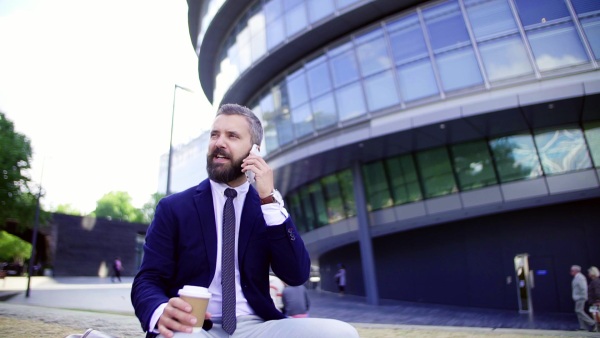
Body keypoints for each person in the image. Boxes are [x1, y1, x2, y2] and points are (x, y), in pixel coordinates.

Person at [131, 104, 359, 338]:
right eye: (214, 134)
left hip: (257, 326)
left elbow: (296, 275)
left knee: (342, 333)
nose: (219, 142)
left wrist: (269, 201)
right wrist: (159, 312)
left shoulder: (267, 208)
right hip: (193, 326)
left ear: (254, 151)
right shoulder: (174, 208)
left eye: (232, 136)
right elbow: (147, 279)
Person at [570, 265, 595, 331]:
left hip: (580, 297)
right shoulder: (577, 277)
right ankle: (583, 327)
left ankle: (592, 323)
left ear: (575, 271)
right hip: (578, 297)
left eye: (572, 271)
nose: (571, 272)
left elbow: (583, 288)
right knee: (579, 311)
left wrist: (582, 296)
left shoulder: (580, 277)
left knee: (579, 311)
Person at [588, 266, 600, 332]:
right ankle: (597, 328)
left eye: (589, 272)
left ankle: (598, 328)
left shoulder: (595, 281)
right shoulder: (594, 281)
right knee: (594, 315)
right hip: (593, 302)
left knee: (596, 316)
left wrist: (598, 300)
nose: (588, 274)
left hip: (596, 302)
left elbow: (597, 291)